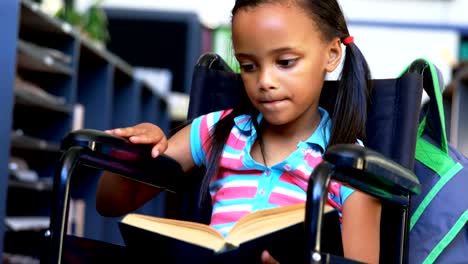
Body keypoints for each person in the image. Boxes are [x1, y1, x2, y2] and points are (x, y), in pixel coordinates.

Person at [97, 0, 381, 263]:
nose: (265, 81)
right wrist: (136, 152)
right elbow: (109, 203)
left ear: (331, 54)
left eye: (285, 62)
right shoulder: (217, 131)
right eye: (249, 66)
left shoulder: (351, 168)